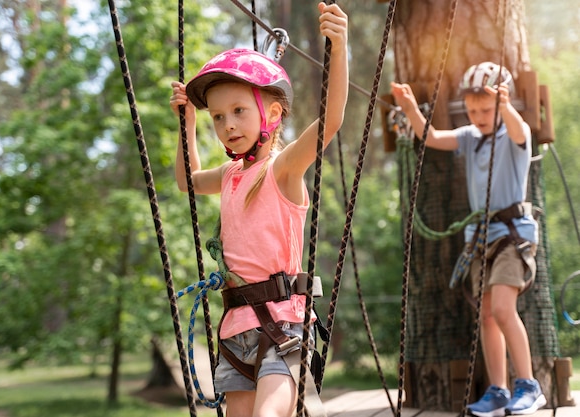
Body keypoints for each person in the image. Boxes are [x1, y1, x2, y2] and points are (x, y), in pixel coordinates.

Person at [170, 3, 348, 416]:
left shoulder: (281, 169)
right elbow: (188, 181)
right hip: (236, 332)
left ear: (271, 113)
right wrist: (187, 125)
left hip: (282, 326)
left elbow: (332, 120)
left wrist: (338, 49)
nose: (227, 125)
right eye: (217, 117)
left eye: (238, 111)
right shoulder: (231, 174)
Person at [391, 62, 546, 417]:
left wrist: (505, 108)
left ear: (501, 105)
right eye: (473, 110)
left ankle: (529, 385)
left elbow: (520, 127)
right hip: (481, 237)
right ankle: (499, 390)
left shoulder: (514, 137)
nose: (478, 116)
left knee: (505, 310)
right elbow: (430, 138)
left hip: (511, 236)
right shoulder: (470, 137)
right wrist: (411, 107)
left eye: (486, 109)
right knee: (488, 316)